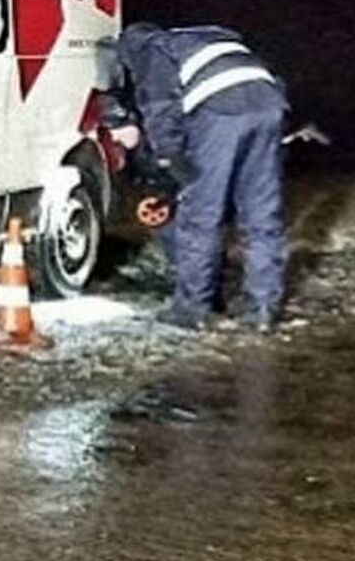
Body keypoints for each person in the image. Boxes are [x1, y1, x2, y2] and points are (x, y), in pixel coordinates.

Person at [112, 22, 289, 332]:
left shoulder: (152, 50)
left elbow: (160, 107)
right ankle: (262, 308)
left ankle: (191, 308)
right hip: (269, 103)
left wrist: (169, 157)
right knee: (262, 213)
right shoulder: (200, 40)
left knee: (201, 214)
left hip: (222, 110)